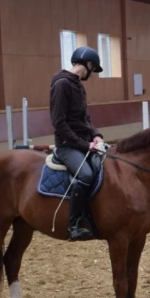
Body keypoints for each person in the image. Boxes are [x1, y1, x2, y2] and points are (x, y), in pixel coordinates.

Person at [49, 46, 105, 241]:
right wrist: (84, 144)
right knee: (86, 175)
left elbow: (85, 118)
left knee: (104, 166)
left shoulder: (78, 85)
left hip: (83, 142)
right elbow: (59, 123)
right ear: (88, 64)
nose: (93, 73)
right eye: (94, 68)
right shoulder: (62, 84)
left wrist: (95, 135)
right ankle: (73, 225)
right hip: (67, 145)